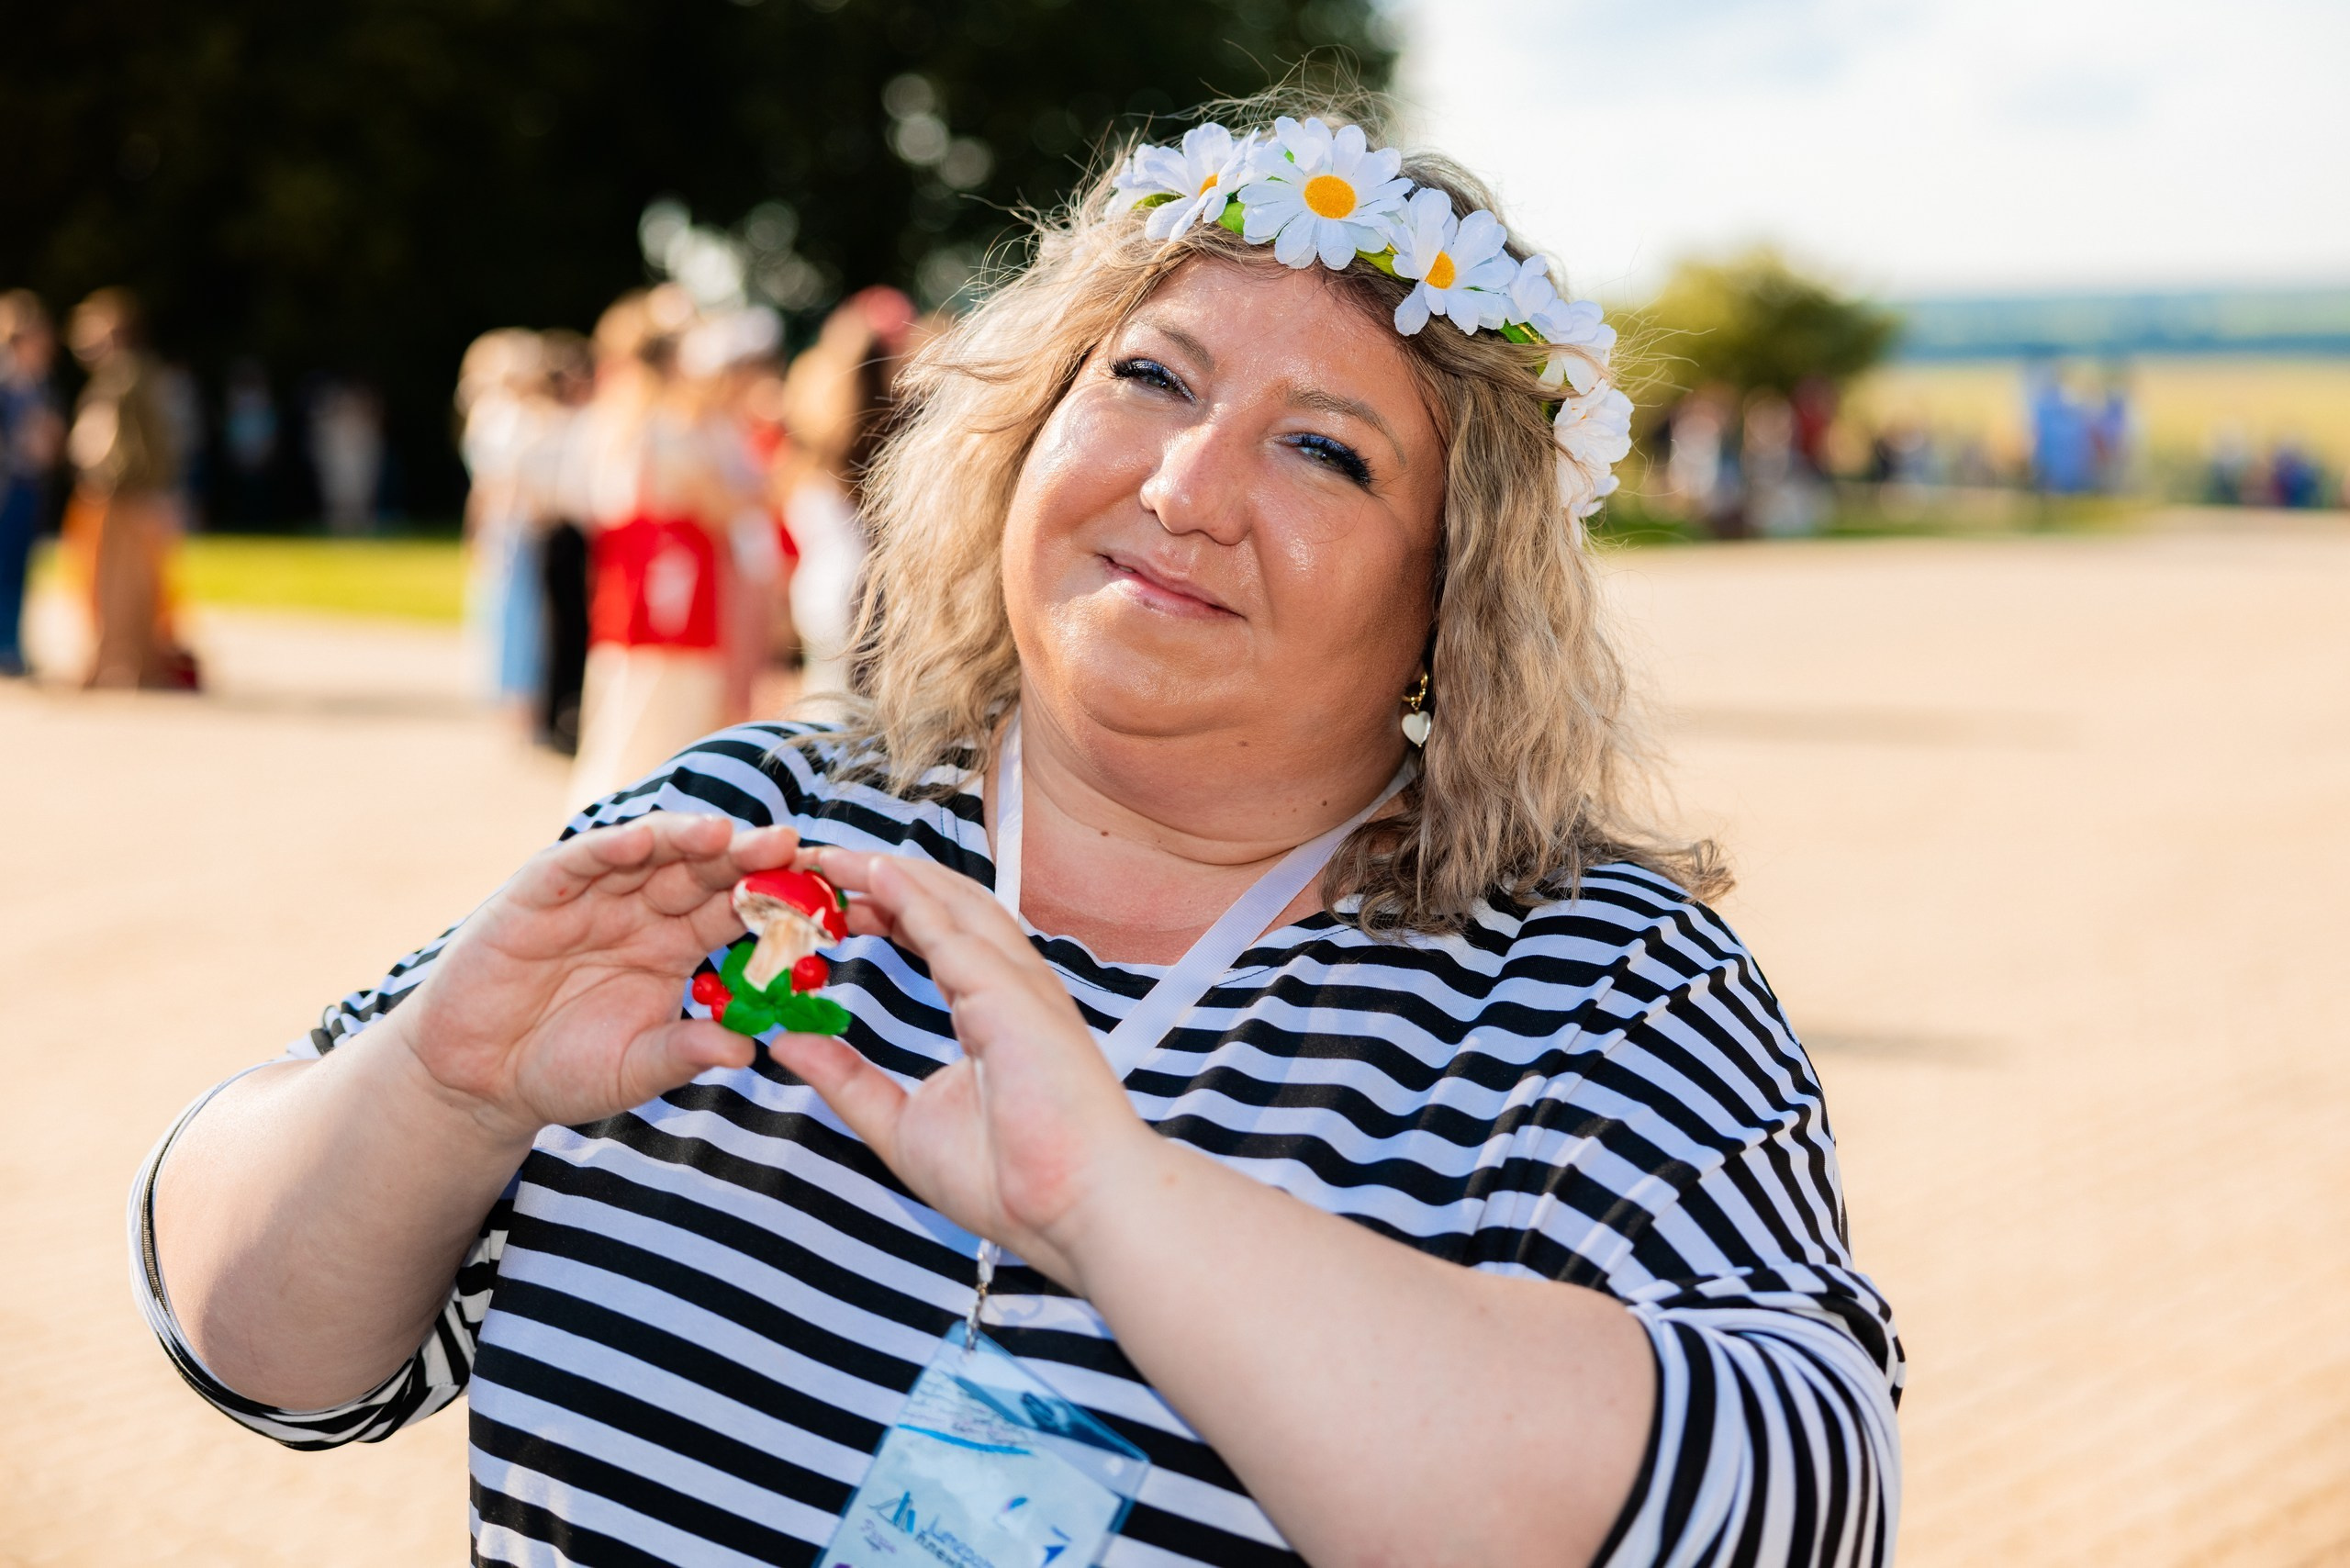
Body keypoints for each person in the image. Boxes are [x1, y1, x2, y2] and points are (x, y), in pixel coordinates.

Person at [136, 101, 1899, 1567]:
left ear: (1457, 593)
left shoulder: (1594, 990)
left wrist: (1115, 1203)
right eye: (1149, 375)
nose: (1187, 487)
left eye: (1330, 452)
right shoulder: (750, 830)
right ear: (1028, 421)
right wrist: (437, 1093)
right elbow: (250, 1342)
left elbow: (1797, 1505)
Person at [61, 288, 196, 689]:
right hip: (141, 494)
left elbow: (117, 446)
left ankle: (110, 666)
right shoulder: (143, 373)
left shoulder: (121, 378)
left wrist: (104, 479)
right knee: (139, 586)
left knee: (112, 588)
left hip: (121, 495)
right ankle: (139, 666)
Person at [0, 290, 65, 678]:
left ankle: (11, 644)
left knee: (21, 569)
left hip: (30, 487)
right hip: (7, 487)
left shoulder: (40, 384)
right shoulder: (7, 384)